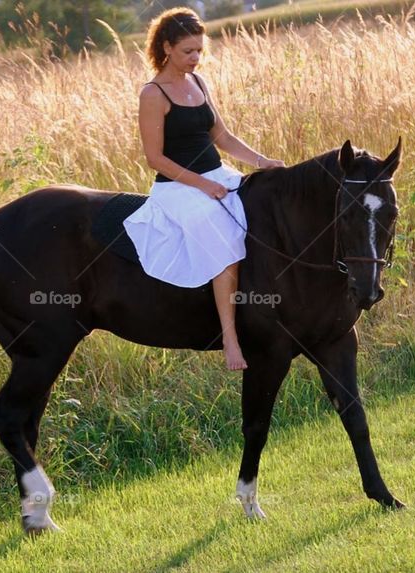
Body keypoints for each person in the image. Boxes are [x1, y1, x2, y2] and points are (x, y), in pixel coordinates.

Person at [123, 7, 284, 371]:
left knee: (265, 209)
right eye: (187, 52)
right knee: (220, 230)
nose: (196, 58)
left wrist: (262, 161)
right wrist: (203, 185)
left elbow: (222, 136)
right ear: (166, 48)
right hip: (178, 189)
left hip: (218, 175)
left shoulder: (199, 83)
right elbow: (155, 158)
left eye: (199, 50)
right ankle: (230, 338)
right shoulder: (153, 94)